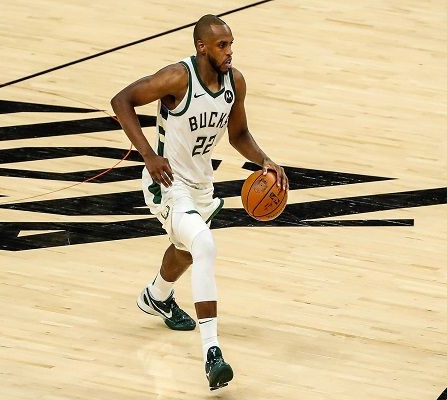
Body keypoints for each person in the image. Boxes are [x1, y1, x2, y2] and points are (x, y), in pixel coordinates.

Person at [110, 14, 288, 390]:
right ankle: (212, 353)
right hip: (167, 182)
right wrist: (148, 156)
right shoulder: (178, 77)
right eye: (222, 45)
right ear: (202, 47)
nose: (229, 52)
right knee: (204, 245)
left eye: (231, 44)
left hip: (201, 185)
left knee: (185, 250)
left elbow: (239, 134)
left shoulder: (235, 82)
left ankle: (157, 296)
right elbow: (121, 100)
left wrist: (265, 160)